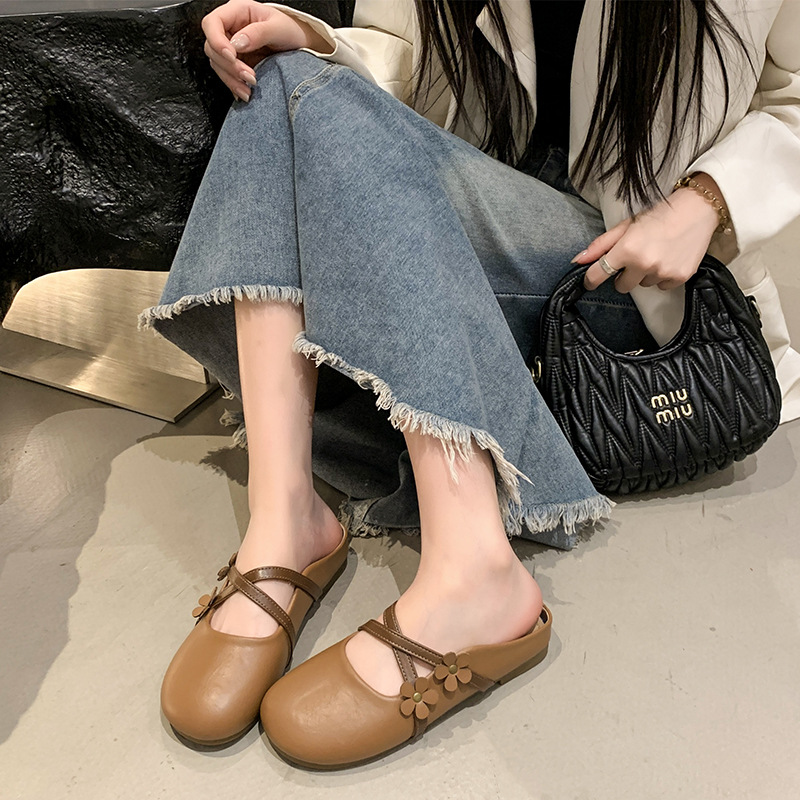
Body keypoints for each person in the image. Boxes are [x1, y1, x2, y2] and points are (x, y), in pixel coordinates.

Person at [138, 0, 800, 769]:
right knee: (279, 79)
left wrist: (707, 200)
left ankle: (472, 569)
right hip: (464, 223)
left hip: (628, 279)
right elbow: (400, 61)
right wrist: (316, 41)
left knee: (306, 98)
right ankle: (284, 518)